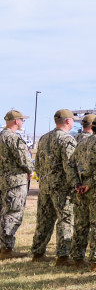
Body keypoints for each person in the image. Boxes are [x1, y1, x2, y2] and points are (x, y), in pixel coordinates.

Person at [66, 114, 96, 272]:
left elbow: (70, 165)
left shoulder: (83, 142)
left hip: (81, 191)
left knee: (81, 225)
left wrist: (77, 184)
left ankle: (78, 259)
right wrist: (89, 184)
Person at [31, 109, 77, 266]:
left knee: (44, 219)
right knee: (66, 219)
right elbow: (70, 166)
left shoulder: (44, 138)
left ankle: (38, 252)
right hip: (62, 188)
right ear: (68, 121)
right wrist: (76, 184)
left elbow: (37, 164)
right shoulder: (67, 140)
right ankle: (63, 256)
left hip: (45, 185)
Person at [0, 110, 34, 260]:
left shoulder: (1, 136)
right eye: (21, 120)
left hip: (3, 179)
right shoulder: (13, 138)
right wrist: (31, 170)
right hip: (15, 181)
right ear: (15, 121)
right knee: (13, 213)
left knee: (3, 212)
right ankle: (6, 249)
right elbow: (23, 159)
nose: (22, 122)